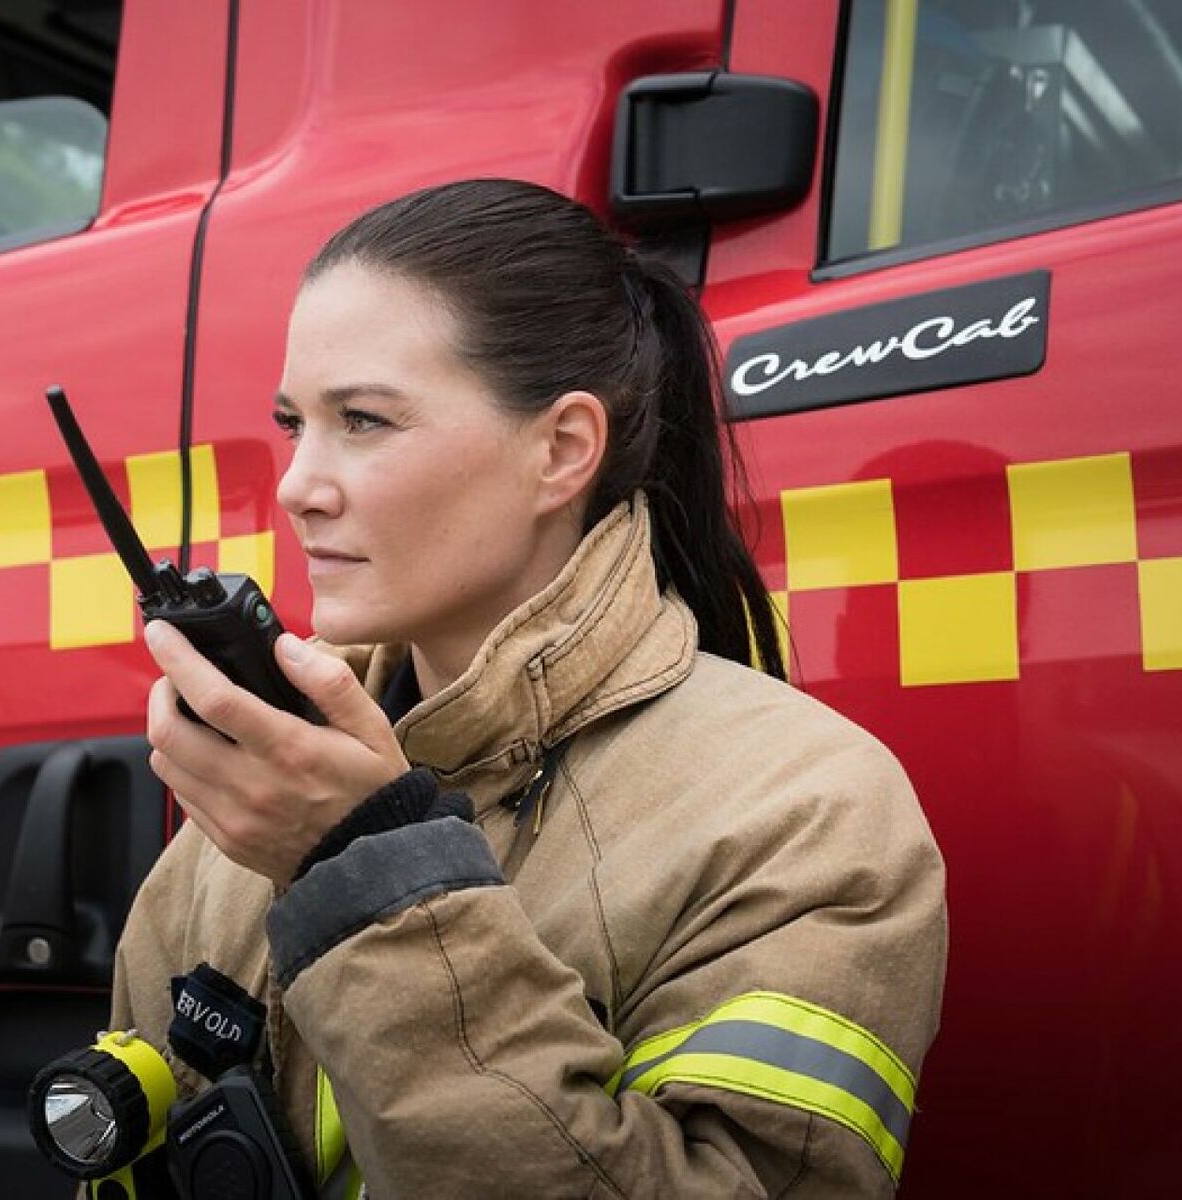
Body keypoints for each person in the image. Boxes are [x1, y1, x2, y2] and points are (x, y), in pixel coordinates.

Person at [109, 178, 947, 1198]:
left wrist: (363, 869)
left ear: (560, 451)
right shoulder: (259, 808)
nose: (296, 484)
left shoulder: (806, 814)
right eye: (295, 426)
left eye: (364, 421)